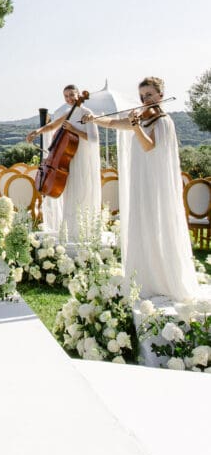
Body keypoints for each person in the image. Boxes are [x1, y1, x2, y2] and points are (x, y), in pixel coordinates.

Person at [83, 77, 202, 301]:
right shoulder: (143, 118)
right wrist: (94, 120)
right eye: (141, 95)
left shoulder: (163, 121)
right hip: (140, 182)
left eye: (148, 95)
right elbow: (114, 124)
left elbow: (148, 146)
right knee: (142, 224)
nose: (144, 99)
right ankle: (145, 279)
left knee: (155, 223)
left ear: (160, 95)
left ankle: (162, 279)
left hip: (154, 184)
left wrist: (136, 126)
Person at [26, 84, 101, 242]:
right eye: (66, 96)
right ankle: (70, 230)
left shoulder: (87, 113)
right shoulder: (69, 113)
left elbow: (94, 139)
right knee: (69, 193)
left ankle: (83, 231)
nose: (69, 98)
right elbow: (53, 125)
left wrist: (74, 131)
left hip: (81, 158)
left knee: (80, 191)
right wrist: (37, 132)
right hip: (67, 159)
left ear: (79, 94)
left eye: (72, 95)